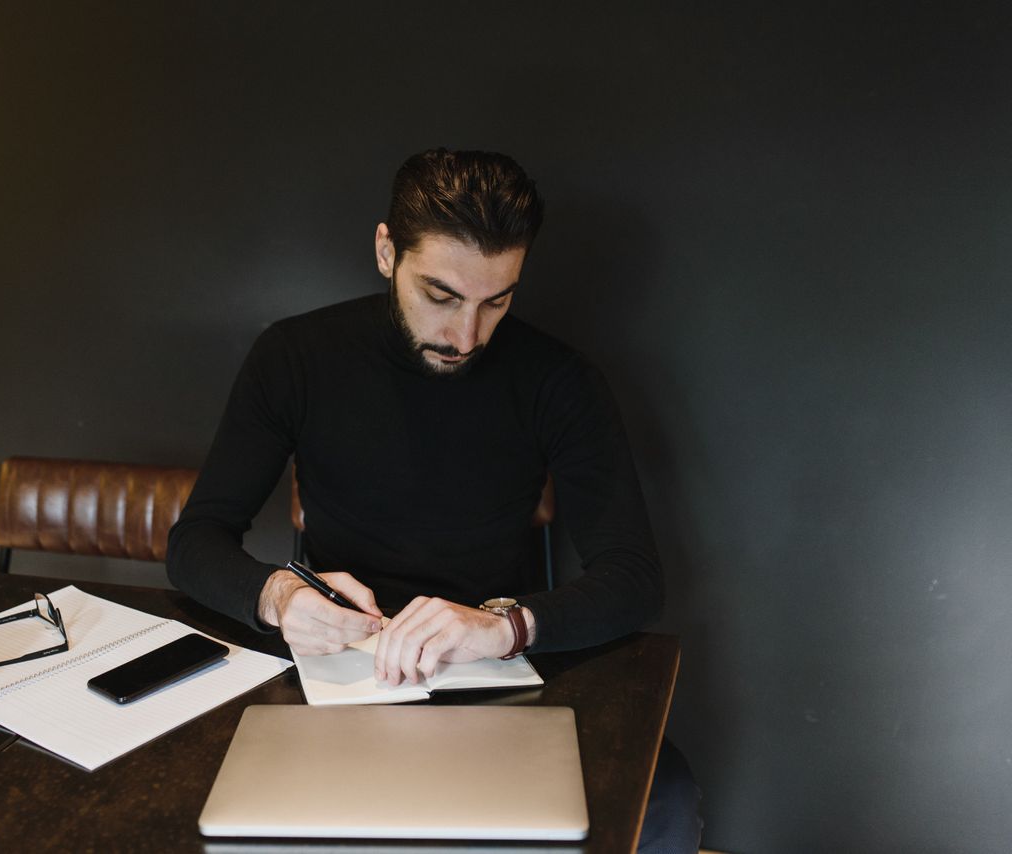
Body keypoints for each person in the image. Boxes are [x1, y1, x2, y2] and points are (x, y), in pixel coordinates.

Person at [167, 148, 700, 852]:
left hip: (496, 666)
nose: (466, 337)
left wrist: (504, 626)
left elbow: (634, 579)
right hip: (343, 666)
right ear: (387, 251)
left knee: (664, 800)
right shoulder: (294, 357)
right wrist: (279, 598)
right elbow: (195, 541)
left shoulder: (559, 381)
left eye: (497, 300)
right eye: (441, 295)